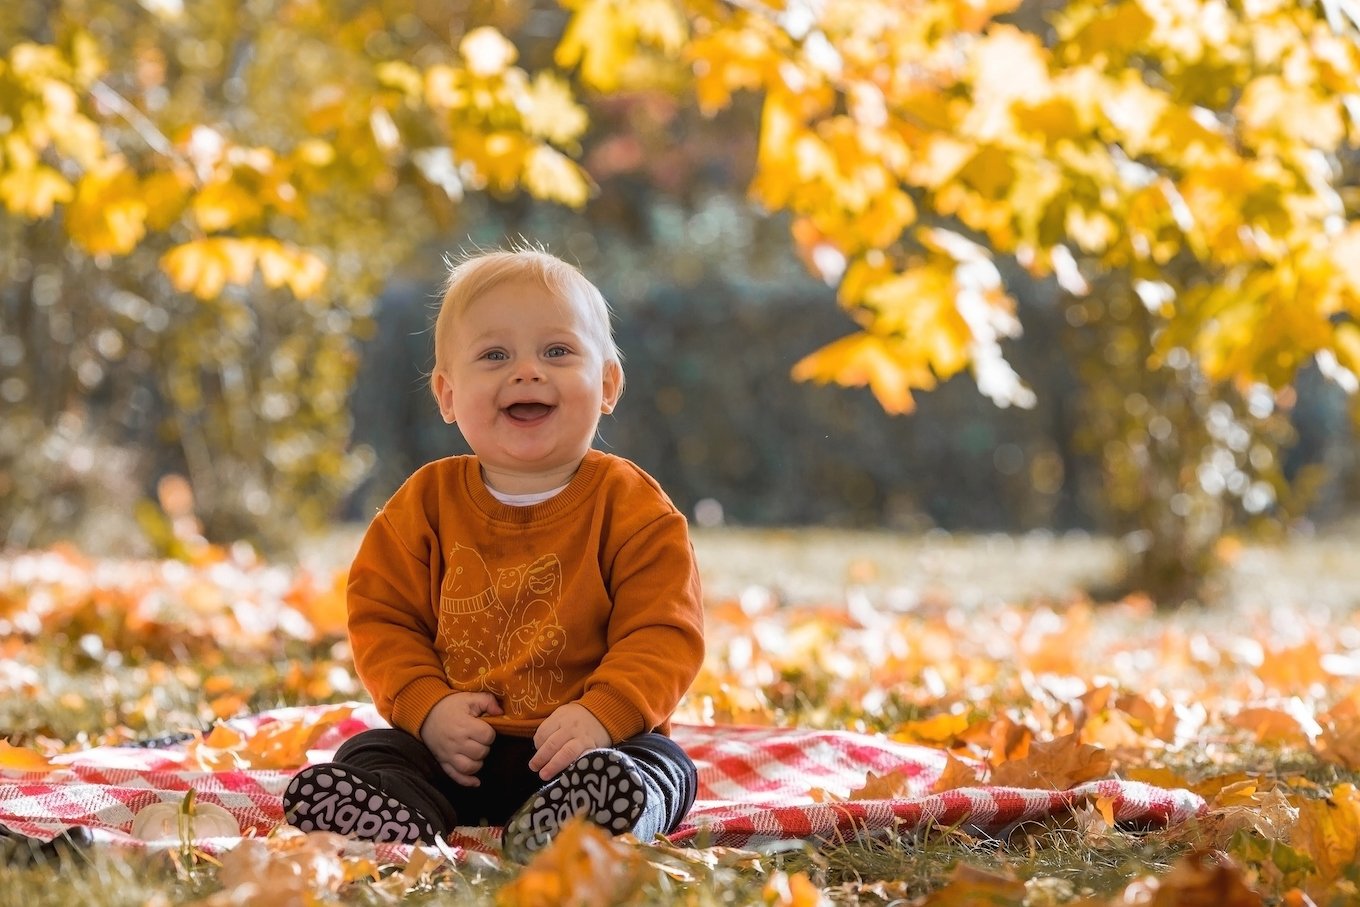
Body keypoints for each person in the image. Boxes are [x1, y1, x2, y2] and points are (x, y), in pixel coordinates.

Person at [282, 245, 705, 862]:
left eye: (557, 351)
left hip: (584, 751)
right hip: (457, 753)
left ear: (608, 383)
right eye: (495, 355)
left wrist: (604, 715)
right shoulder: (423, 505)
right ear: (448, 395)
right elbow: (384, 618)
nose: (528, 371)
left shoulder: (632, 507)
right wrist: (429, 710)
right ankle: (391, 813)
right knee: (370, 752)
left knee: (664, 764)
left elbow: (664, 630)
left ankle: (590, 815)